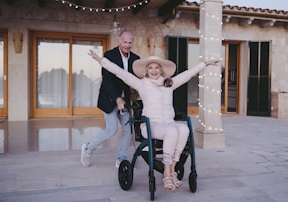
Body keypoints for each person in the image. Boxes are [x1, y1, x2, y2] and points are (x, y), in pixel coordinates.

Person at [88, 49, 219, 192]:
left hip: (168, 123)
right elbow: (120, 72)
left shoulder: (169, 83)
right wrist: (101, 60)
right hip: (150, 125)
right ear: (146, 70)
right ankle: (167, 175)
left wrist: (205, 64)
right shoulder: (141, 84)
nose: (154, 71)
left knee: (184, 129)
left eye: (156, 68)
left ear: (161, 70)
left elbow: (187, 75)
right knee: (172, 132)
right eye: (150, 68)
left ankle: (171, 170)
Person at [81, 30, 140, 168]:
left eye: (130, 42)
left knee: (128, 130)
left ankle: (121, 158)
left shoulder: (136, 59)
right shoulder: (109, 55)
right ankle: (88, 148)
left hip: (126, 101)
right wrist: (117, 99)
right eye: (125, 42)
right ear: (119, 41)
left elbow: (137, 79)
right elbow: (107, 81)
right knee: (111, 130)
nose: (127, 45)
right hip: (110, 98)